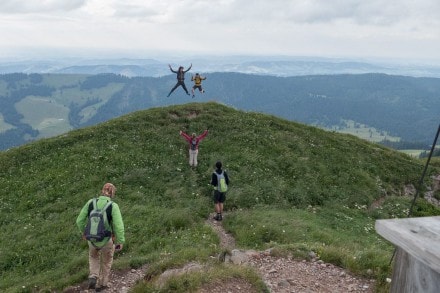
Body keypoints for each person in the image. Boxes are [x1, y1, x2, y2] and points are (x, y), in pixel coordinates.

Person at [76, 183, 125, 291]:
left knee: (93, 257)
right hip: (107, 240)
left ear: (102, 191)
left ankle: (93, 276)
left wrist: (84, 232)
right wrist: (120, 241)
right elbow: (119, 226)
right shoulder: (113, 206)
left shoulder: (90, 202)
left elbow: (79, 220)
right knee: (106, 262)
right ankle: (102, 284)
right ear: (112, 193)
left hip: (92, 240)